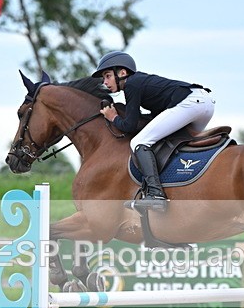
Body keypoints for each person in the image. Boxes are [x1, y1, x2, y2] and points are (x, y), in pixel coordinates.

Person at [92, 51, 215, 211]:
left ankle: (156, 195)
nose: (105, 82)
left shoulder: (132, 84)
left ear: (122, 73)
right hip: (204, 103)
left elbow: (129, 126)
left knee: (138, 142)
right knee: (175, 143)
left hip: (191, 103)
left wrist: (113, 117)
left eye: (108, 76)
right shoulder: (139, 82)